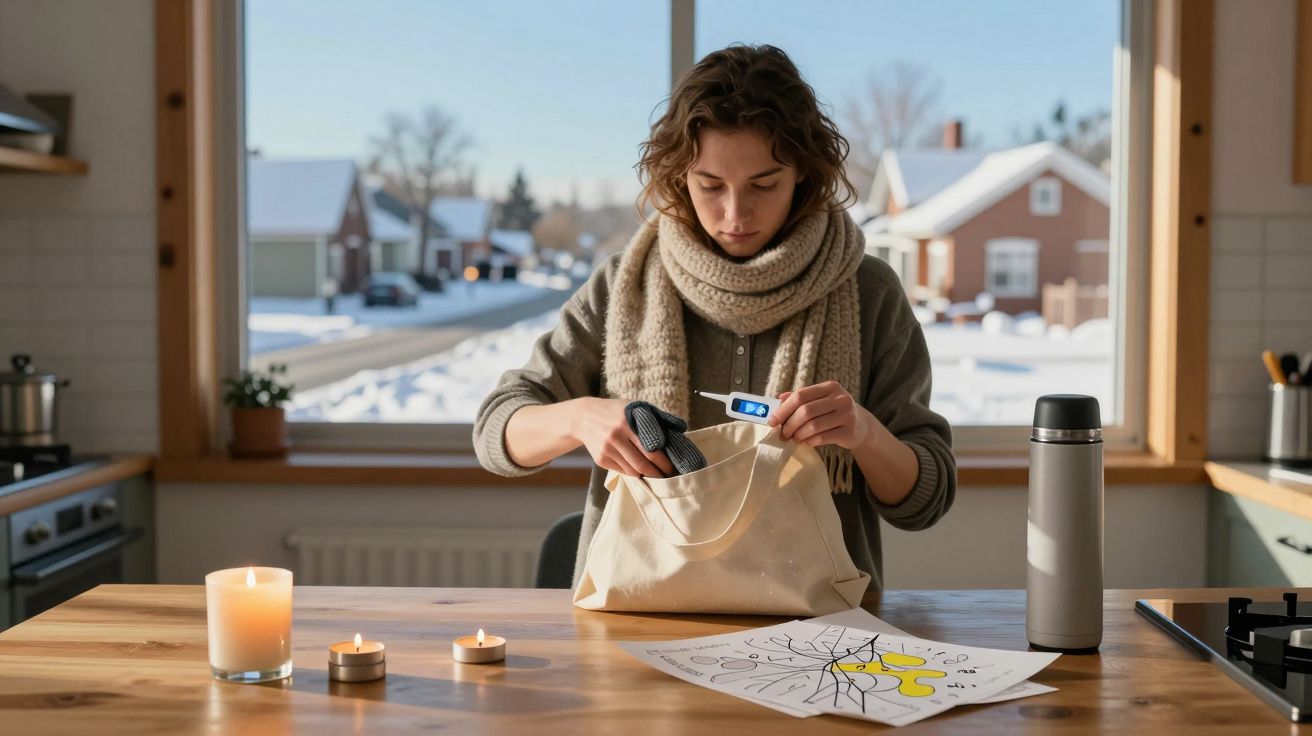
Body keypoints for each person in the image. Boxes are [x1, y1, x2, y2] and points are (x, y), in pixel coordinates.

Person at [474, 44, 955, 595]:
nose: (734, 214)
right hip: (639, 625)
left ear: (803, 172)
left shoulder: (870, 293)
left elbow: (927, 500)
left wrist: (863, 433)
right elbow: (496, 432)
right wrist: (580, 419)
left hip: (817, 637)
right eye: (710, 185)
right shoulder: (622, 284)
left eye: (763, 184)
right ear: (680, 177)